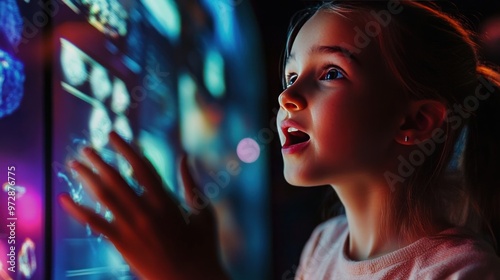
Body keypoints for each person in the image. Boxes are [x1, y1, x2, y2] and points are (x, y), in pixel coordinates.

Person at [59, 1, 500, 279]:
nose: (287, 96)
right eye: (291, 75)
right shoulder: (324, 242)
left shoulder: (460, 270)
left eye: (331, 73)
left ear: (417, 121)